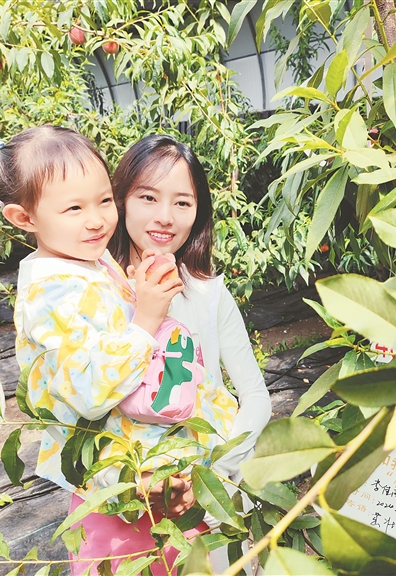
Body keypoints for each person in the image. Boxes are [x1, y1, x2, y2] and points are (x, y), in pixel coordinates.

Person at [0, 126, 215, 576]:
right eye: (74, 208)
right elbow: (88, 391)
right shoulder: (51, 294)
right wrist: (146, 317)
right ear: (23, 218)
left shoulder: (88, 262)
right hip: (121, 484)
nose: (97, 220)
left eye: (104, 201)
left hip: (152, 472)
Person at [109, 135, 272, 571]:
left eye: (182, 202)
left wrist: (212, 476)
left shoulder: (207, 292)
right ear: (120, 199)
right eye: (148, 197)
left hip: (213, 496)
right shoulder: (97, 295)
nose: (165, 217)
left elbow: (255, 396)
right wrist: (130, 481)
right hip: (131, 500)